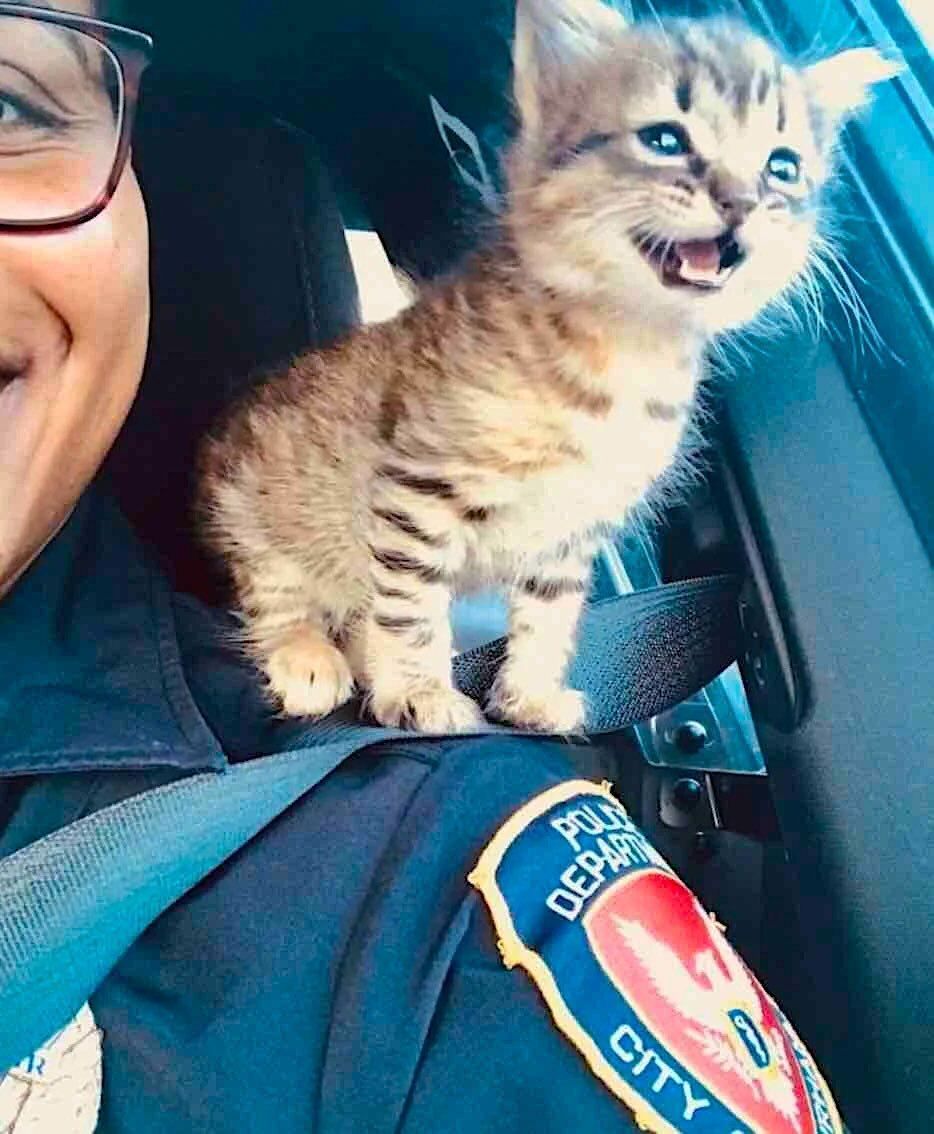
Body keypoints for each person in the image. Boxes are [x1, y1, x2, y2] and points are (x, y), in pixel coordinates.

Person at [0, 3, 847, 1133]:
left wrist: (503, 680)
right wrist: (405, 661)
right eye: (669, 143)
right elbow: (413, 503)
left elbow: (557, 536)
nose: (733, 194)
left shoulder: (424, 900)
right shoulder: (481, 351)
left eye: (6, 102)